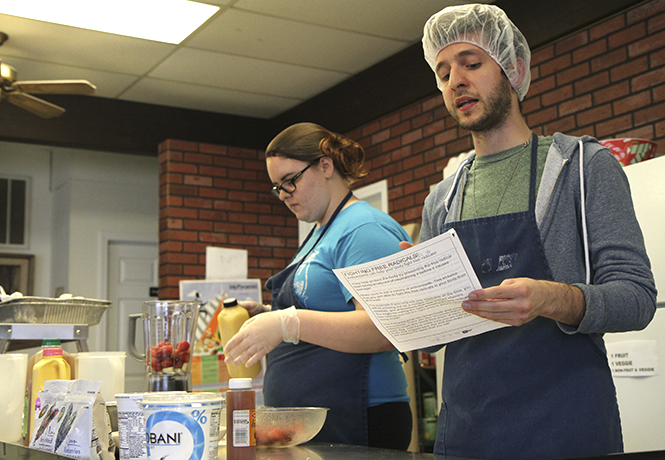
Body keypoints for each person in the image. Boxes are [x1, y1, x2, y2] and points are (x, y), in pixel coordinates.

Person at [412, 4, 657, 460]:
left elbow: (638, 298)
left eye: (471, 63)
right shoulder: (441, 199)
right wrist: (408, 295)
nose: (455, 82)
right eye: (443, 72)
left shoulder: (583, 168)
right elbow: (431, 337)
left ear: (514, 68)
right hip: (467, 434)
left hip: (566, 429)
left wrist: (552, 298)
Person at [223, 122, 413, 449]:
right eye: (276, 187)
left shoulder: (363, 228)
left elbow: (385, 329)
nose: (283, 195)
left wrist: (286, 323)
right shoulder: (320, 231)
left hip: (360, 415)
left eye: (290, 181)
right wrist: (270, 314)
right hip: (320, 421)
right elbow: (329, 310)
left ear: (326, 165)